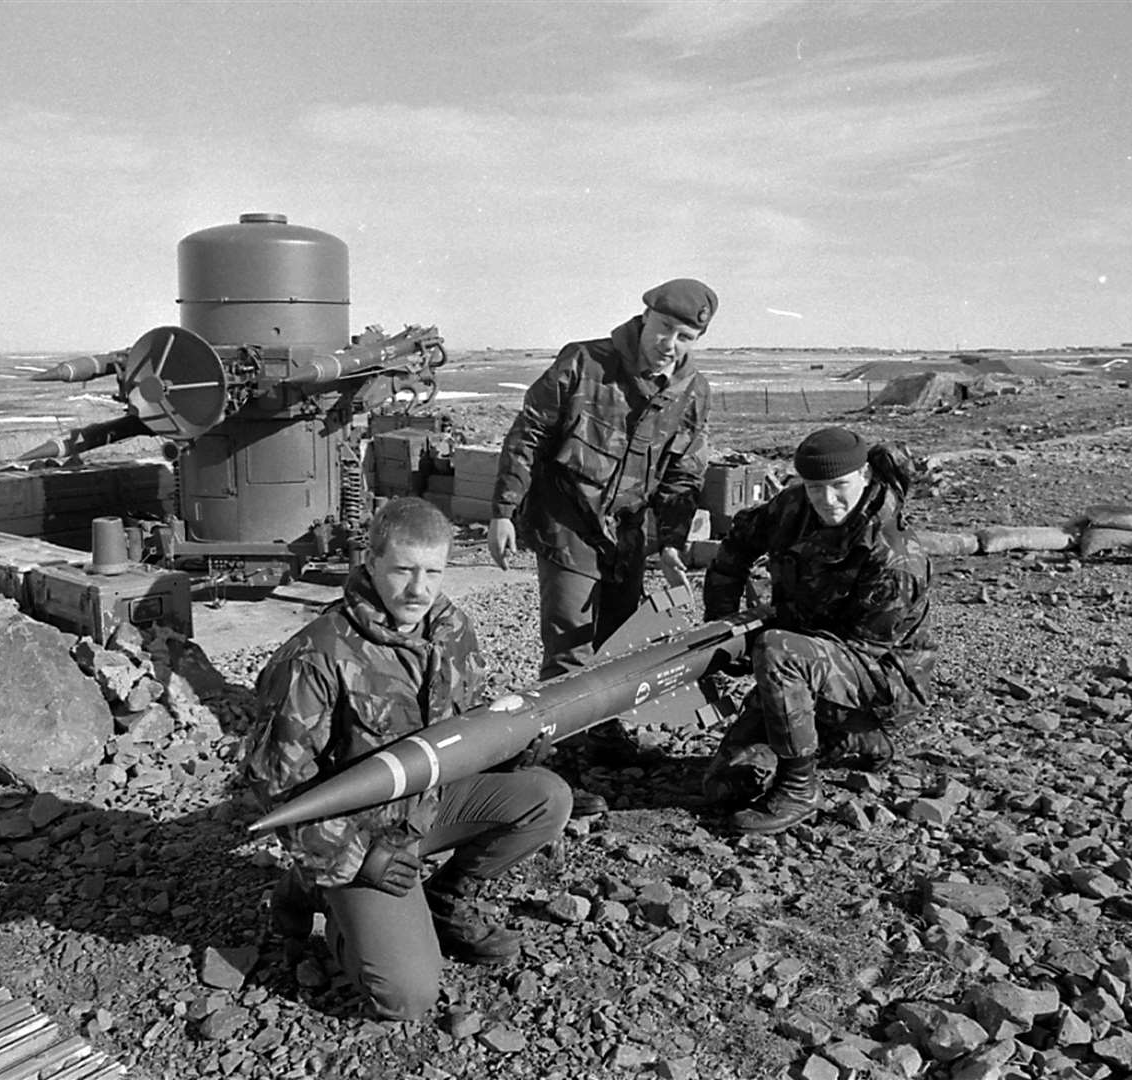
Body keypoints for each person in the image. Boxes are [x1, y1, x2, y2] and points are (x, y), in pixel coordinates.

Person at [240, 497, 572, 1021]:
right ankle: (320, 892)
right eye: (402, 570)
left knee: (546, 797)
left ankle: (447, 902)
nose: (418, 589)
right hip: (356, 834)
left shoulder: (452, 631)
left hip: (425, 808)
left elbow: (461, 732)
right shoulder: (318, 655)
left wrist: (508, 753)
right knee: (406, 998)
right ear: (369, 563)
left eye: (433, 572)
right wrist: (362, 859)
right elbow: (276, 787)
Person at [488, 279, 716, 761]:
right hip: (566, 521)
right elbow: (527, 434)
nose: (668, 345)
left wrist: (672, 542)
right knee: (572, 643)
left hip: (626, 533)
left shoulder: (691, 391)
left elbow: (683, 473)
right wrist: (504, 511)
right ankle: (561, 754)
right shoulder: (584, 363)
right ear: (645, 317)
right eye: (664, 329)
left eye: (684, 338)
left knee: (616, 642)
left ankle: (603, 732)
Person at [700, 427, 936, 834]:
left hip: (879, 679)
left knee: (779, 651)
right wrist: (724, 625)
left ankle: (799, 788)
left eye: (839, 487)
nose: (828, 501)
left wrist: (766, 647)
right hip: (803, 660)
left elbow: (864, 649)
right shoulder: (792, 508)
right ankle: (856, 746)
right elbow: (736, 546)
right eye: (815, 488)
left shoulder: (894, 556)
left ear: (864, 477)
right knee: (726, 784)